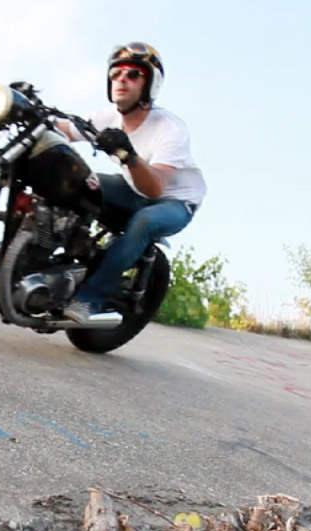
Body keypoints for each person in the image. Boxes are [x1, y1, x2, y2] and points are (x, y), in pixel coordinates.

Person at [57, 42, 207, 324]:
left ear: (150, 84)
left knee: (144, 221)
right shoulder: (107, 117)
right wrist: (25, 108)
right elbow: (65, 129)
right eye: (116, 74)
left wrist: (128, 155)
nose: (122, 79)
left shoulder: (170, 128)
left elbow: (155, 187)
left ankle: (90, 300)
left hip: (173, 201)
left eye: (133, 74)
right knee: (76, 182)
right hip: (131, 187)